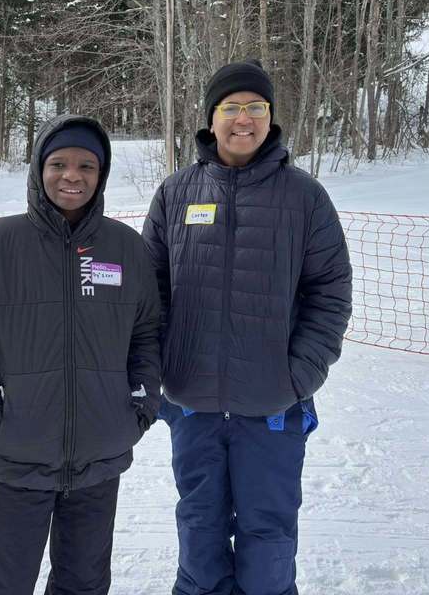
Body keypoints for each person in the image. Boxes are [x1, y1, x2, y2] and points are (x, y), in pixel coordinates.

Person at [143, 60, 353, 595]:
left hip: (272, 407)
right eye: (232, 108)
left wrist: (296, 376)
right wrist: (169, 366)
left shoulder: (304, 197)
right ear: (211, 118)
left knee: (269, 538)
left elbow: (330, 292)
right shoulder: (176, 193)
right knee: (200, 532)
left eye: (256, 107)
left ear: (271, 117)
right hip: (194, 403)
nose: (245, 119)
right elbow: (150, 291)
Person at [0, 115, 162, 595]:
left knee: (84, 581)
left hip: (100, 454)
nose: (72, 175)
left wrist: (141, 405)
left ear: (101, 174)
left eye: (87, 165)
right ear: (38, 169)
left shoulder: (126, 247)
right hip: (18, 451)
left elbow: (147, 332)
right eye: (59, 163)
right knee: (9, 577)